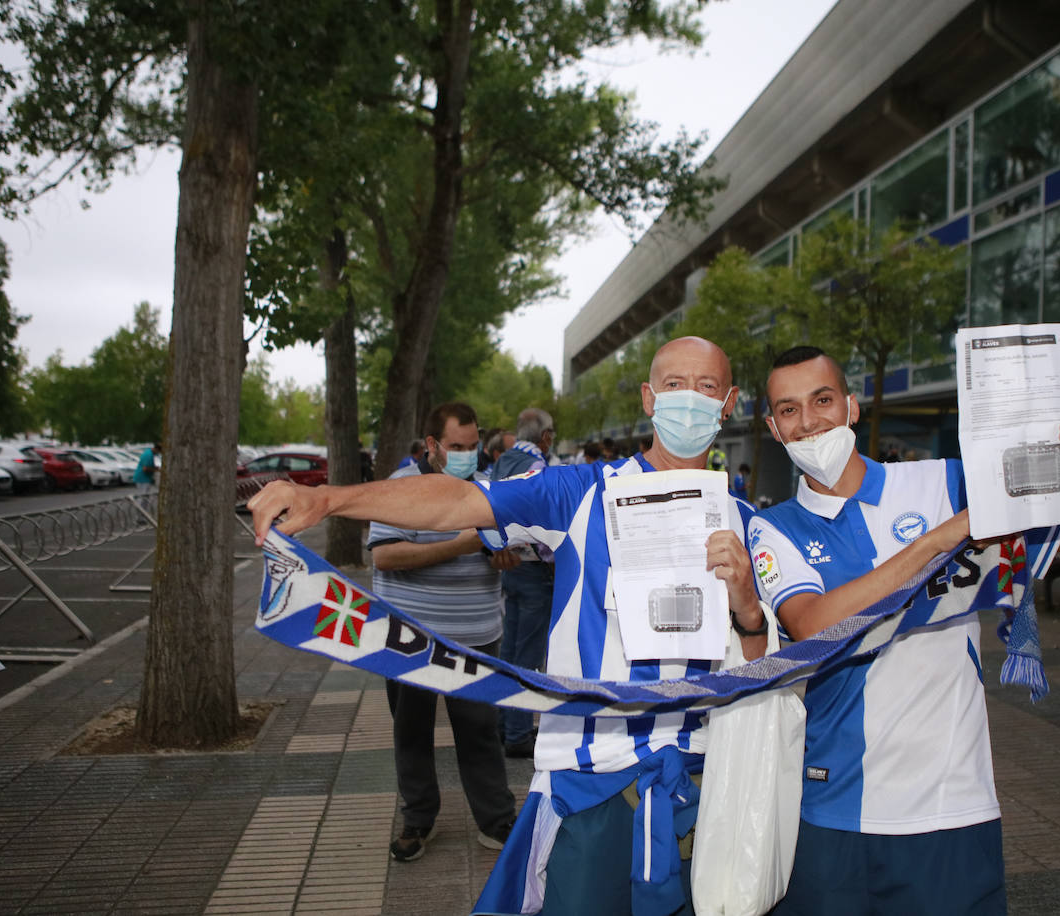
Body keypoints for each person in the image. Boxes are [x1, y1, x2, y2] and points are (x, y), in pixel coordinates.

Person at [249, 336, 767, 915]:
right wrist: (328, 499)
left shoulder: (749, 524)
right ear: (649, 398)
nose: (689, 400)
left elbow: (777, 666)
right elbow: (458, 502)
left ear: (729, 404)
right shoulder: (581, 492)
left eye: (706, 387)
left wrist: (748, 609)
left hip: (705, 785)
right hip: (589, 783)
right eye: (674, 385)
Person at [748, 346, 1060, 915]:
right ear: (773, 427)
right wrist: (941, 538)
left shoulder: (946, 481)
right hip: (834, 808)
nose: (808, 422)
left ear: (853, 407)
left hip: (953, 802)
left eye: (822, 400)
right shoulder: (773, 526)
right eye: (789, 409)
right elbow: (813, 626)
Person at [368, 402, 519, 861]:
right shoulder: (400, 488)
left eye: (473, 446)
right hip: (409, 636)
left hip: (476, 634)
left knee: (480, 732)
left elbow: (511, 550)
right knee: (411, 732)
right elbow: (385, 556)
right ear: (432, 444)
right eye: (457, 446)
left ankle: (497, 821)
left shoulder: (489, 489)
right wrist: (460, 545)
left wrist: (507, 556)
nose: (467, 456)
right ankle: (418, 820)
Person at [489, 407, 557, 758]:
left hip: (508, 567)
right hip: (534, 570)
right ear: (545, 437)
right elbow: (543, 525)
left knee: (510, 651)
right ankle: (518, 733)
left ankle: (503, 725)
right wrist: (556, 560)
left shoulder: (503, 461)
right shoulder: (538, 467)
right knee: (529, 655)